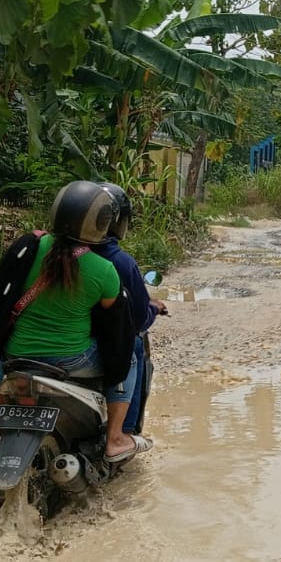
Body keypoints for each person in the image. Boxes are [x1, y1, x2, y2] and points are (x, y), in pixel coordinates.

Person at [0, 181, 149, 462]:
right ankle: (115, 439)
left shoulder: (29, 246)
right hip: (71, 360)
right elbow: (118, 327)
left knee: (6, 355)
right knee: (131, 356)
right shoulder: (105, 270)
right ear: (103, 223)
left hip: (19, 356)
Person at [94, 182, 168, 435]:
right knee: (133, 348)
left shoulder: (48, 252)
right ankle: (122, 432)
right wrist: (153, 310)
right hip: (84, 347)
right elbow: (137, 320)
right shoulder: (116, 262)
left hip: (41, 344)